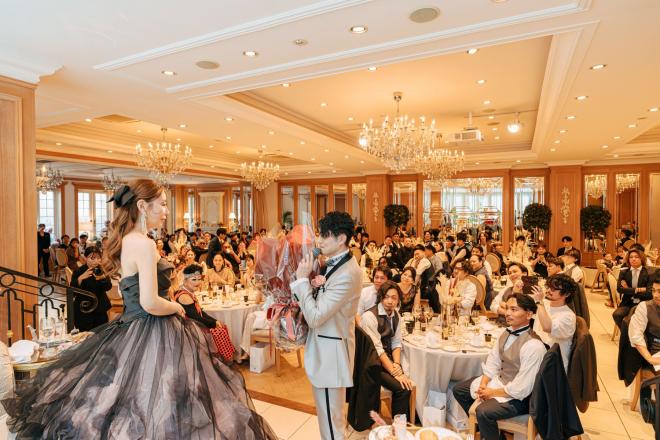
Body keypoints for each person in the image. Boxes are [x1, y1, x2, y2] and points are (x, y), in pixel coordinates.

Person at [2, 180, 277, 439]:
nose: (166, 211)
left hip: (133, 325)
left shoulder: (128, 240)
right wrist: (176, 307)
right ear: (143, 206)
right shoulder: (143, 244)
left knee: (144, 397)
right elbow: (149, 302)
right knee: (163, 397)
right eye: (163, 204)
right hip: (152, 325)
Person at [291, 211, 362, 440]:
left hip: (332, 355)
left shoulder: (347, 273)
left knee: (332, 425)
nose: (318, 240)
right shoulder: (334, 263)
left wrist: (302, 280)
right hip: (326, 348)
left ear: (341, 239)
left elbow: (315, 317)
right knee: (329, 418)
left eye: (324, 235)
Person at [452, 293, 546, 440]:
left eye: (514, 309)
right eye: (507, 308)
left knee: (483, 411)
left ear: (529, 314)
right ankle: (493, 434)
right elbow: (493, 361)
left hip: (521, 398)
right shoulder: (506, 332)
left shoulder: (534, 346)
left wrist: (492, 393)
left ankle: (488, 432)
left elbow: (523, 388)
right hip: (501, 383)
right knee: (459, 390)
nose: (507, 313)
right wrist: (484, 384)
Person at [359, 281, 412, 418]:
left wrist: (397, 364)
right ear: (381, 297)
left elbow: (396, 342)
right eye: (386, 297)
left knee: (408, 381)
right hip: (371, 364)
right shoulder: (369, 317)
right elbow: (377, 349)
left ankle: (409, 419)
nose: (390, 301)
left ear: (398, 300)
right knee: (402, 389)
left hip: (387, 360)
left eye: (394, 298)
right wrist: (394, 372)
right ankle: (399, 426)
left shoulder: (396, 316)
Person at [531, 274, 577, 371]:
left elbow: (547, 327)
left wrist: (539, 302)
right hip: (537, 352)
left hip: (552, 364)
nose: (548, 290)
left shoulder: (568, 316)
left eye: (553, 289)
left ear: (566, 294)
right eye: (548, 287)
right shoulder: (546, 303)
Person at [70, 247, 112, 331]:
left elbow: (108, 287)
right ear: (85, 258)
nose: (96, 261)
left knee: (101, 332)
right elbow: (72, 292)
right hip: (83, 308)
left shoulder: (102, 270)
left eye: (98, 258)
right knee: (85, 333)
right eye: (92, 258)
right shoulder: (79, 271)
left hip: (100, 307)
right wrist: (80, 279)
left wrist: (103, 278)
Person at [174, 264, 223, 329]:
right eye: (194, 279)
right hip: (189, 330)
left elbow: (200, 312)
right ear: (185, 281)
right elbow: (197, 319)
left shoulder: (187, 293)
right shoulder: (184, 297)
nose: (197, 282)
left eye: (199, 279)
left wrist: (215, 321)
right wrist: (213, 324)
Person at [628, 272, 660, 371]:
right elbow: (636, 335)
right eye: (653, 291)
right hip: (656, 352)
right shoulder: (644, 307)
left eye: (659, 291)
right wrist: (650, 359)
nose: (655, 295)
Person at [613, 249, 652, 329]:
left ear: (642, 258)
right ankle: (627, 333)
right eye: (631, 257)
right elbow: (619, 289)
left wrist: (628, 289)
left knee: (633, 318)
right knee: (617, 315)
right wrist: (638, 290)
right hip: (627, 302)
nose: (633, 259)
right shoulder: (624, 272)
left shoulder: (648, 273)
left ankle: (630, 333)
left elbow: (649, 293)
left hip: (642, 303)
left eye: (636, 257)